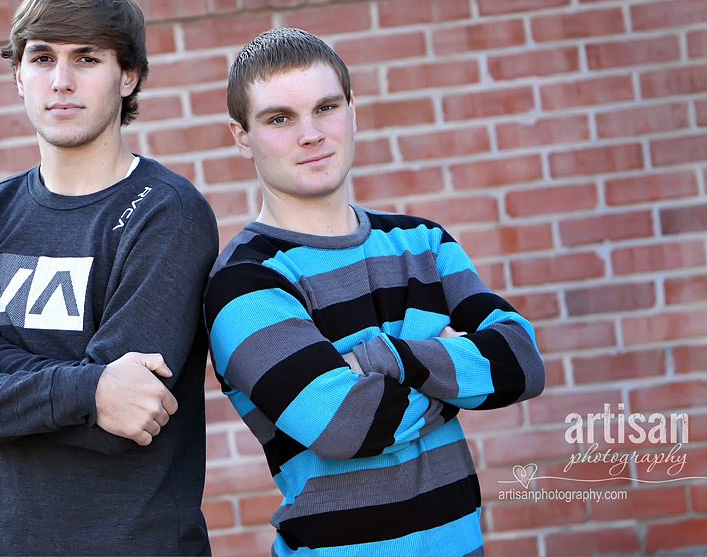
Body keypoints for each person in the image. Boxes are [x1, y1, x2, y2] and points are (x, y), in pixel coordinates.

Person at [203, 28, 545, 556]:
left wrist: (381, 359)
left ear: (352, 110)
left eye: (326, 107)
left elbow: (521, 363)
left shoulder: (422, 243)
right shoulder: (243, 282)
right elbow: (346, 426)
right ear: (241, 135)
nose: (311, 134)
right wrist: (454, 366)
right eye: (279, 119)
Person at [0, 0, 217, 556]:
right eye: (43, 57)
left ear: (128, 76)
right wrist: (90, 384)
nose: (61, 81)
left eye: (86, 57)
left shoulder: (167, 215)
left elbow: (124, 422)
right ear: (18, 76)